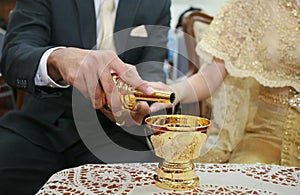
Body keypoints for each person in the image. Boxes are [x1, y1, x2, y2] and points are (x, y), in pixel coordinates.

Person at [0, 0, 171, 194]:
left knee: (145, 186)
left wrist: (143, 101)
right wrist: (58, 58)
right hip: (44, 122)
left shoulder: (157, 3)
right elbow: (14, 55)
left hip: (118, 133)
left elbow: (152, 69)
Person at [150, 0, 299, 167]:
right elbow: (210, 76)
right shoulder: (251, 4)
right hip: (269, 133)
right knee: (249, 178)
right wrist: (173, 91)